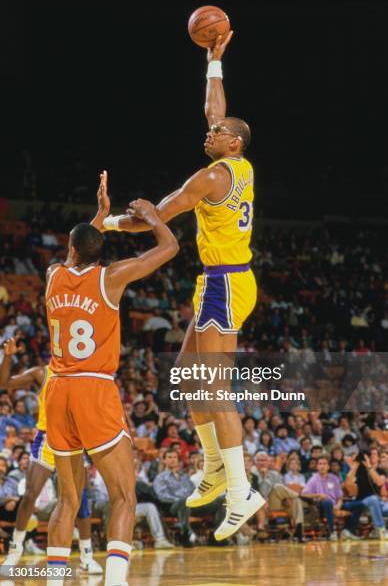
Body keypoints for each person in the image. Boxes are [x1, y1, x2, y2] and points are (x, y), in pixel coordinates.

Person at [102, 32, 263, 541]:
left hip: (224, 285)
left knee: (215, 391)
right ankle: (215, 467)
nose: (208, 133)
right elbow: (218, 112)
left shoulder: (210, 178)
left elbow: (154, 217)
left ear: (231, 143)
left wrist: (107, 224)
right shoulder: (239, 166)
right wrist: (214, 63)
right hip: (221, 280)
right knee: (186, 378)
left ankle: (241, 492)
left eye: (217, 134)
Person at [44, 173, 178, 586]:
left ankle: (53, 580)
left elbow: (81, 246)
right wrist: (154, 217)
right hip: (93, 389)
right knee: (123, 495)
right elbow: (170, 248)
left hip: (57, 389)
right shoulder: (111, 277)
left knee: (68, 501)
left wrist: (100, 216)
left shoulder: (52, 275)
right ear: (99, 252)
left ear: (69, 249)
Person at [0, 338, 103, 573]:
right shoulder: (42, 373)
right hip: (47, 438)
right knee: (29, 495)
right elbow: (5, 382)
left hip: (76, 441)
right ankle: (14, 553)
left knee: (82, 499)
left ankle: (87, 556)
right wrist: (7, 356)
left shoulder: (82, 375)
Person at [153, 449, 225, 547]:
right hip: (172, 507)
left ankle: (216, 535)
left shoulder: (185, 476)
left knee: (222, 499)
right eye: (169, 457)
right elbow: (162, 496)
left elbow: (194, 491)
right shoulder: (160, 477)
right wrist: (182, 499)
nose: (172, 460)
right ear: (164, 460)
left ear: (178, 460)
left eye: (175, 457)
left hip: (191, 504)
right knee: (184, 501)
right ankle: (186, 535)